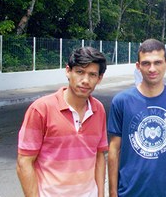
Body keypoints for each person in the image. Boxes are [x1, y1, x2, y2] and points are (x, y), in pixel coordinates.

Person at [17, 46, 108, 196]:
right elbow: (24, 162)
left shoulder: (98, 110)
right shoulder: (41, 109)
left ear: (99, 78)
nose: (85, 80)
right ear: (68, 71)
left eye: (92, 74)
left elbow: (99, 156)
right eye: (80, 72)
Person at [108, 38, 166, 197]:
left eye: (157, 62)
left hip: (165, 192)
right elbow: (114, 150)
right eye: (146, 63)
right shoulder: (121, 101)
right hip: (128, 192)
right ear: (138, 66)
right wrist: (112, 192)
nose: (152, 69)